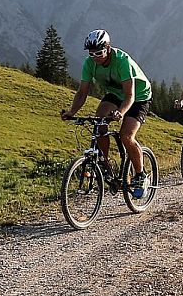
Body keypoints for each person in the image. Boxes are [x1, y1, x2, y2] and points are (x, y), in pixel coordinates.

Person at [60, 29, 153, 198]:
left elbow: (130, 96)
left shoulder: (121, 61)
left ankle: (140, 175)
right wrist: (71, 111)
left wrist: (120, 112)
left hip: (138, 96)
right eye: (91, 53)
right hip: (115, 94)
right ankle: (105, 163)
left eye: (98, 52)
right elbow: (82, 93)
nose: (95, 56)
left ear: (108, 48)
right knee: (99, 122)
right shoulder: (90, 63)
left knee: (126, 136)